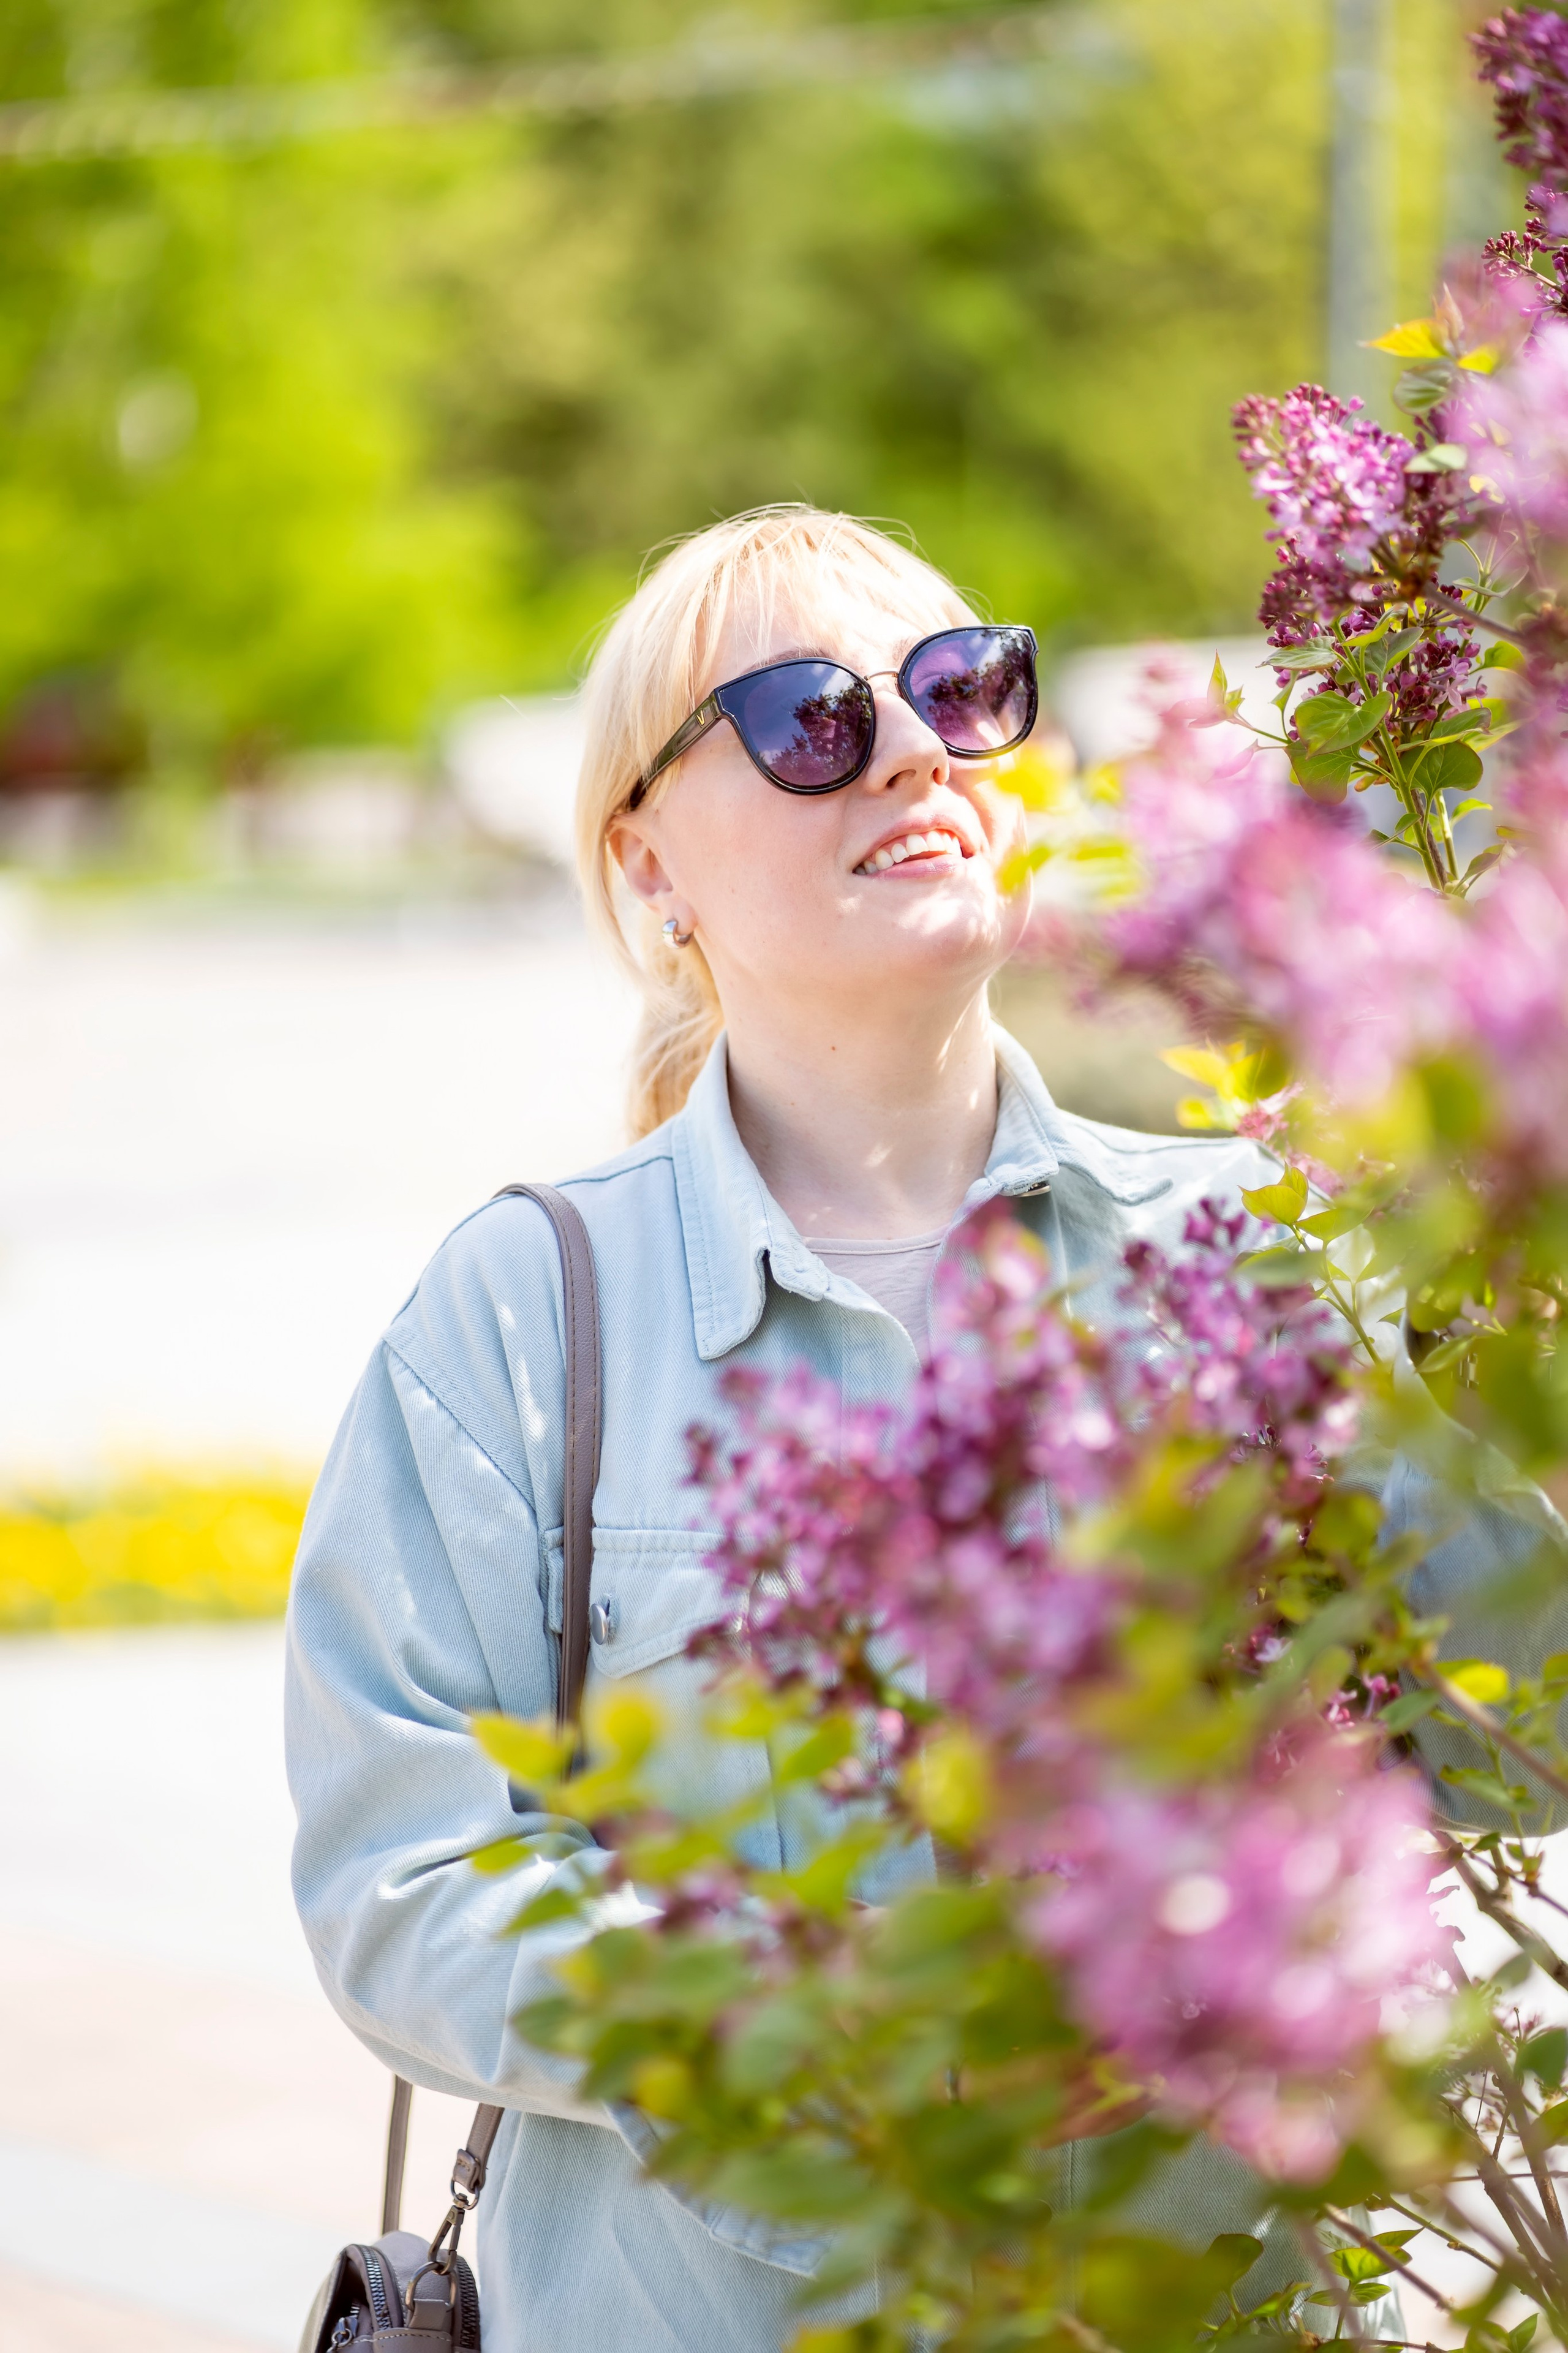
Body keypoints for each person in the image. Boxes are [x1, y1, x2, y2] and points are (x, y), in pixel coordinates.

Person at [285, 505, 1559, 2352]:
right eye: (813, 714)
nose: (914, 751)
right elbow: (398, 1884)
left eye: (965, 692)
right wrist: (819, 2020)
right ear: (651, 859)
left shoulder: (1258, 1251)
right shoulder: (519, 1318)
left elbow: (1513, 1735)